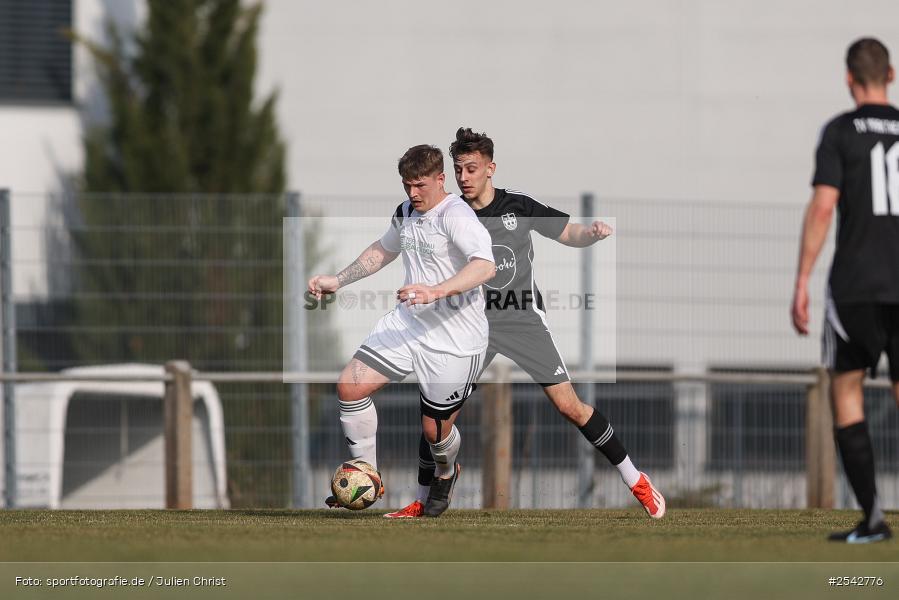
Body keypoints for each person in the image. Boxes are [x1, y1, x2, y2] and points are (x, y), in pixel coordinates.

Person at [383, 128, 665, 519]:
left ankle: (636, 479)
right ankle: (421, 496)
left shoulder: (517, 206)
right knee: (436, 421)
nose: (464, 177)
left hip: (521, 319)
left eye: (472, 168)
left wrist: (592, 234)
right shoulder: (447, 213)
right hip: (469, 324)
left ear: (490, 169)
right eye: (459, 169)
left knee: (569, 406)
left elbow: (568, 232)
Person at [308, 144, 496, 516]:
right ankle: (369, 477)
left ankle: (446, 471)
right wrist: (338, 280)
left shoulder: (456, 215)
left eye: (420, 185)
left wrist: (436, 291)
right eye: (407, 185)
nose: (413, 193)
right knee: (350, 385)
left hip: (456, 341)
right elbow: (383, 249)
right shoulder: (407, 212)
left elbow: (485, 266)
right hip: (409, 325)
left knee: (434, 436)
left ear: (441, 179)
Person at [791, 38, 899, 543]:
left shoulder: (838, 131)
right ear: (891, 75)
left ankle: (874, 518)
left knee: (847, 391)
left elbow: (822, 207)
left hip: (854, 285)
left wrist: (801, 281)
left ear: (849, 80)